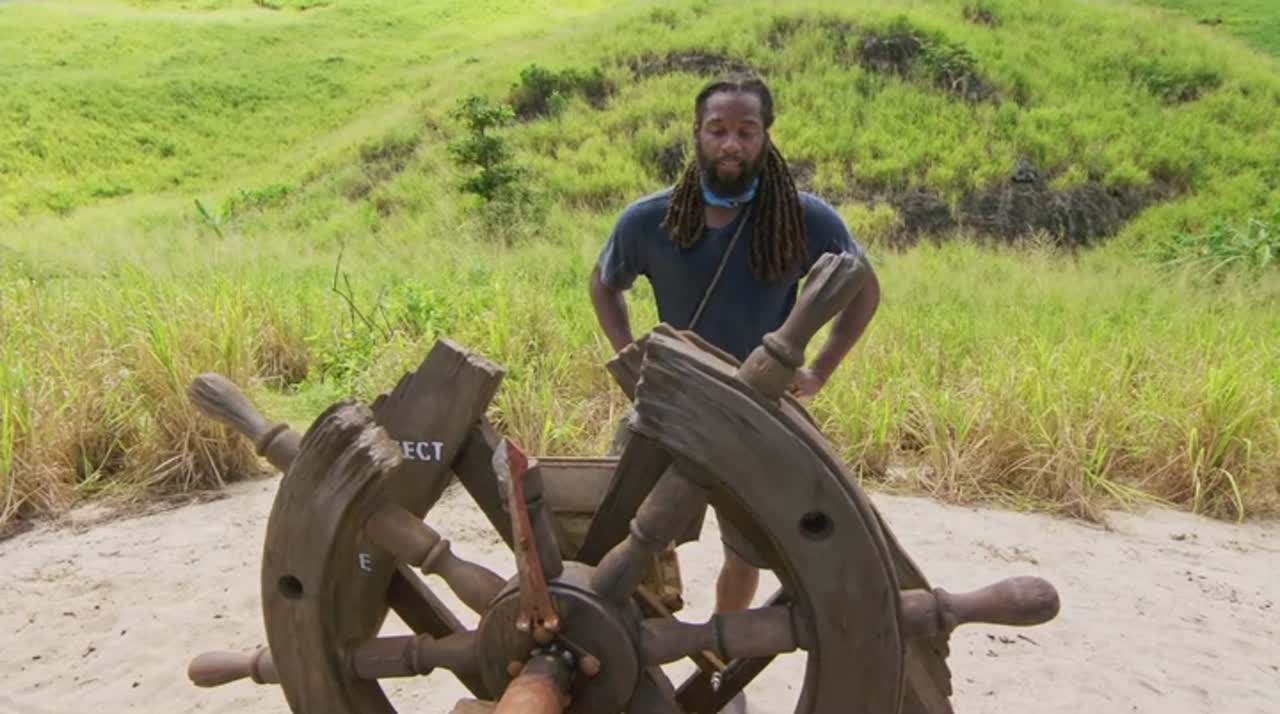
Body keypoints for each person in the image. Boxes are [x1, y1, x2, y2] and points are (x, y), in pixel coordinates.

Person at [588, 73, 881, 616]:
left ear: (766, 135)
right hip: (669, 402)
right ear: (696, 133)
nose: (731, 144)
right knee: (612, 521)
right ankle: (634, 634)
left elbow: (864, 290)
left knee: (747, 550)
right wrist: (629, 353)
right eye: (717, 130)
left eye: (746, 131)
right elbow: (605, 283)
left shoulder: (804, 219)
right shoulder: (649, 220)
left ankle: (724, 647)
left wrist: (818, 371)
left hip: (759, 409)